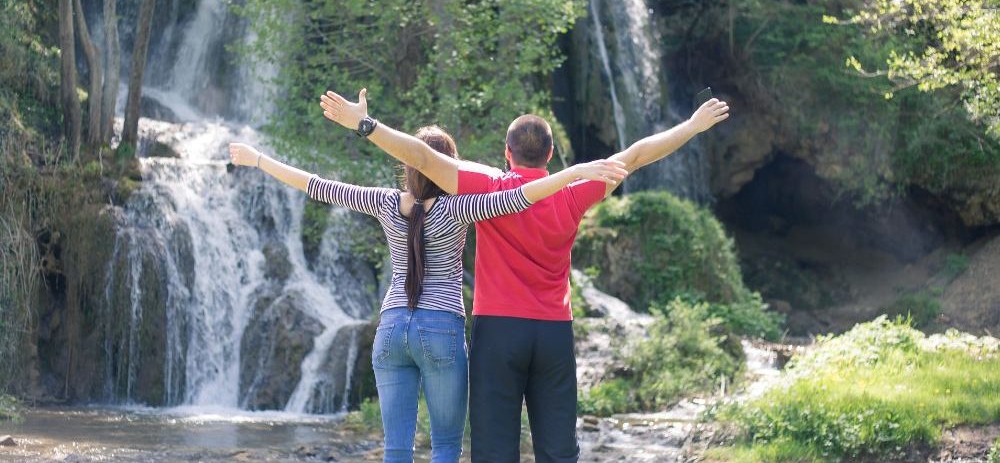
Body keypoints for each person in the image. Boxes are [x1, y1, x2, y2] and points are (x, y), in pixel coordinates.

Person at [319, 89, 730, 463]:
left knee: (494, 450)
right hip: (553, 332)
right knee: (557, 449)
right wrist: (692, 126)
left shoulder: (487, 185)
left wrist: (365, 124)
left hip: (498, 333)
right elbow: (638, 154)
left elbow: (423, 159)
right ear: (550, 155)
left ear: (507, 152)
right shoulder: (574, 189)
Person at [228, 126, 627, 463]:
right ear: (448, 166)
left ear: (409, 167)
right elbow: (522, 196)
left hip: (391, 328)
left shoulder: (384, 202)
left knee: (396, 449)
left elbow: (318, 186)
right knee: (446, 447)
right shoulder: (461, 207)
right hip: (440, 329)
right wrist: (573, 172)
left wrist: (259, 159)